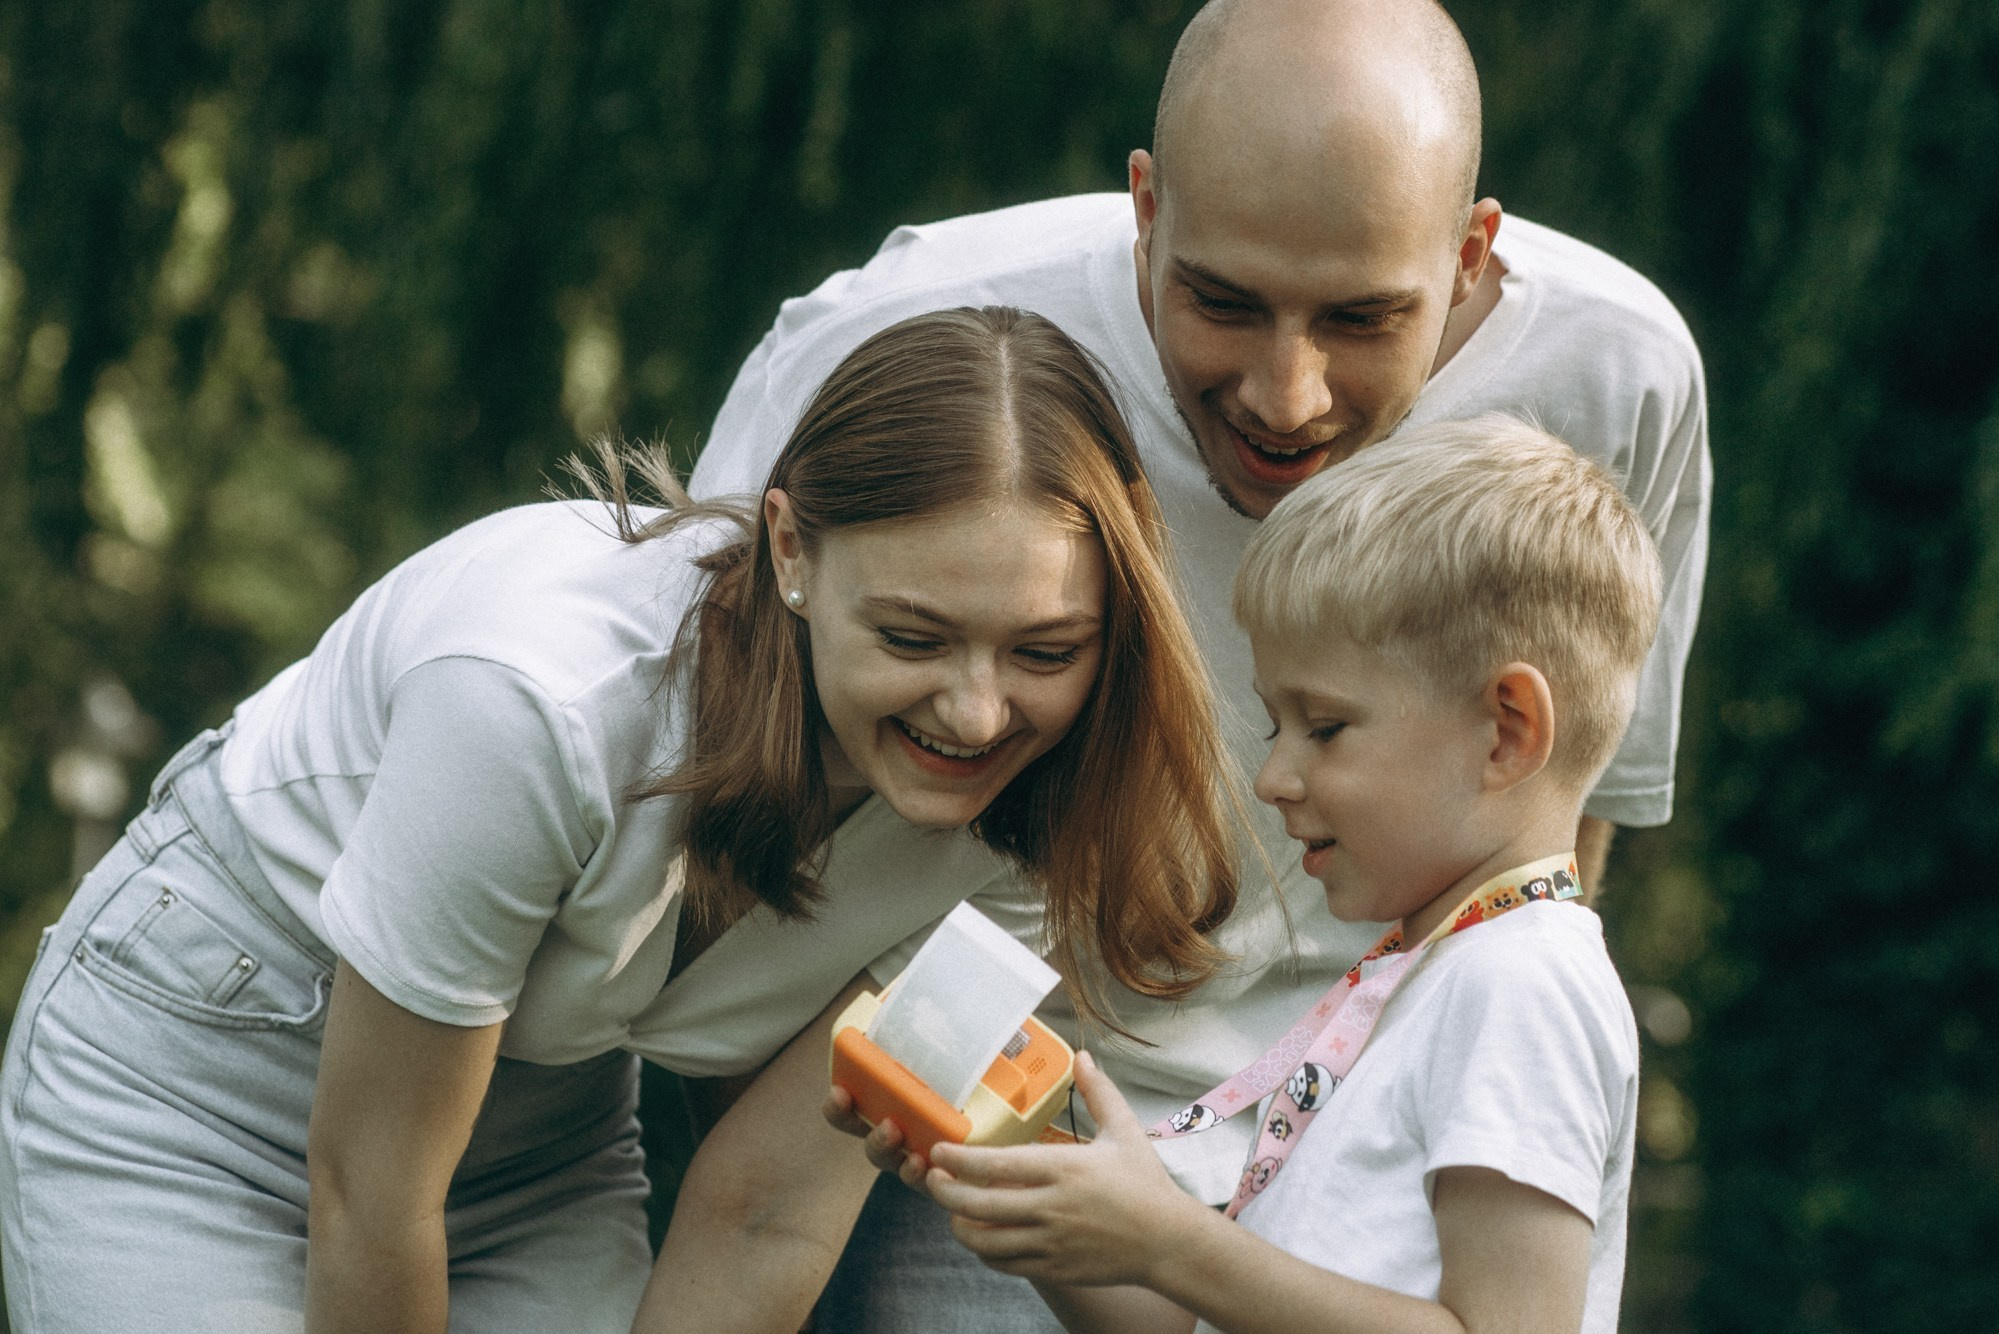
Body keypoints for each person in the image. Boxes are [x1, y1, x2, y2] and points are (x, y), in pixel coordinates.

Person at [660, 0, 1707, 1327]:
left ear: (1472, 258)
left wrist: (1401, 1072)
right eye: (1223, 302)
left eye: (1362, 319)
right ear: (1143, 211)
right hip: (1011, 1025)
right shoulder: (899, 340)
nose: (1288, 395)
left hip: (1353, 1088)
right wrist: (1078, 1196)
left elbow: (1574, 808)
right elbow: (721, 803)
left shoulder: (1617, 372)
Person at [0, 306, 1239, 1334]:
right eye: (912, 637)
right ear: (791, 548)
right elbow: (371, 1188)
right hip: (200, 1079)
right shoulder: (536, 702)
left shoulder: (1032, 835)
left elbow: (762, 1216)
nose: (976, 714)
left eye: (1044, 648)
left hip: (532, 1148)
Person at [924, 416, 1660, 1334]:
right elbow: (1180, 1323)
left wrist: (1172, 1245)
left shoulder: (1520, 984)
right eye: (1277, 727)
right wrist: (998, 1149)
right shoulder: (1425, 978)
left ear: (1506, 731)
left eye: (1325, 727)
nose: (1273, 779)